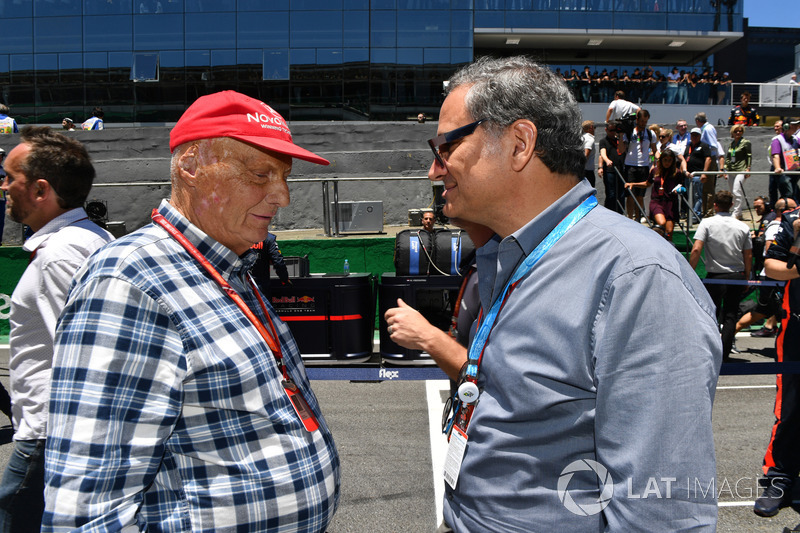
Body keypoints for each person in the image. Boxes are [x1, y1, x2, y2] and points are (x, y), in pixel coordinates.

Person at [427, 56, 720, 532]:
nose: (434, 171)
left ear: (520, 144)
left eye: (444, 147)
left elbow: (662, 512)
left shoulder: (636, 278)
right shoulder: (511, 254)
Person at [43, 91, 340, 531]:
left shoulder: (226, 264)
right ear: (191, 167)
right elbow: (86, 510)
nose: (282, 196)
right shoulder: (128, 284)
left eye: (283, 176)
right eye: (260, 173)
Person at [0, 126, 114, 532]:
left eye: (10, 177)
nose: (4, 187)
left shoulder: (60, 255)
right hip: (55, 433)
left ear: (40, 190)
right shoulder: (91, 238)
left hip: (48, 435)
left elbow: (86, 356)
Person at [753, 200, 800, 517]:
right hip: (798, 328)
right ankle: (780, 477)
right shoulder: (793, 222)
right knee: (791, 407)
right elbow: (771, 267)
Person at [689, 190, 752, 362]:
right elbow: (748, 255)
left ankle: (709, 350)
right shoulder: (743, 226)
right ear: (732, 205)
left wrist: (689, 272)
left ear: (714, 205)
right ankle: (724, 354)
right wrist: (747, 275)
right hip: (736, 275)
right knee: (731, 314)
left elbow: (696, 249)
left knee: (711, 314)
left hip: (715, 276)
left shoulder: (707, 223)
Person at [738, 198, 796, 339]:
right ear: (786, 211)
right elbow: (771, 253)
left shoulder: (781, 224)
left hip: (781, 276)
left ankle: (770, 326)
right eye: (795, 208)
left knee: (775, 309)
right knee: (762, 311)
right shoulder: (777, 226)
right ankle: (732, 332)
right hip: (773, 277)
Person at [622, 109, 656, 221]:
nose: (643, 123)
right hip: (630, 165)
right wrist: (621, 133)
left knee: (640, 196)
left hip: (644, 166)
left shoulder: (650, 134)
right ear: (637, 120)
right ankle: (629, 218)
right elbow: (621, 149)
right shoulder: (629, 132)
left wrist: (653, 163)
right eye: (641, 121)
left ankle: (637, 219)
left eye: (645, 121)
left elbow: (653, 151)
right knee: (630, 195)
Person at [646, 149, 687, 240]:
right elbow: (647, 183)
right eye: (665, 160)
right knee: (661, 223)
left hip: (670, 203)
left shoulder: (677, 173)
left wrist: (679, 190)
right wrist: (633, 184)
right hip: (657, 202)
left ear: (673, 161)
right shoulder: (655, 171)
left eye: (669, 160)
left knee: (669, 231)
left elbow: (681, 185)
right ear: (661, 160)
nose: (667, 163)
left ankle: (668, 250)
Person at [724, 124, 752, 220]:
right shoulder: (731, 144)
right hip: (732, 170)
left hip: (741, 169)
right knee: (732, 192)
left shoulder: (745, 142)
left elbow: (749, 155)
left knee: (737, 190)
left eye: (740, 131)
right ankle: (738, 212)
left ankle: (736, 212)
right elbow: (728, 157)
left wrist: (748, 168)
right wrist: (725, 169)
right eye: (736, 131)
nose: (738, 133)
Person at [250, 231, 291, 296]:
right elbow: (278, 262)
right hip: (261, 286)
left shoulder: (237, 236)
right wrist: (285, 279)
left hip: (239, 286)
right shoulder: (268, 238)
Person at [598, 120, 625, 214]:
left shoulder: (619, 140)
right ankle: (608, 213)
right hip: (609, 171)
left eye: (614, 130)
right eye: (610, 130)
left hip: (620, 170)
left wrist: (621, 136)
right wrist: (606, 161)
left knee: (621, 194)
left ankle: (620, 213)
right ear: (606, 130)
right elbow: (602, 153)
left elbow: (622, 150)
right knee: (611, 194)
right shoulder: (603, 141)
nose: (613, 132)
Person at [696, 112, 720, 218]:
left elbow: (713, 145)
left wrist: (707, 154)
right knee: (704, 188)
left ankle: (709, 212)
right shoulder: (706, 128)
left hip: (710, 158)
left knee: (709, 187)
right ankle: (705, 210)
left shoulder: (708, 129)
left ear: (697, 121)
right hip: (706, 158)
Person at [770, 119, 800, 201]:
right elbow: (776, 155)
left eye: (797, 125)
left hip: (794, 171)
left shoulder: (796, 139)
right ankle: (786, 211)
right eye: (793, 125)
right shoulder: (777, 139)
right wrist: (777, 167)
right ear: (786, 126)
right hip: (784, 172)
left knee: (795, 193)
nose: (796, 127)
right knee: (788, 193)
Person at [580, 120, 596, 187]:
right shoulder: (589, 139)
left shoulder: (581, 138)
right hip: (587, 172)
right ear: (591, 127)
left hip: (580, 171)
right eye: (594, 127)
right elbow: (586, 155)